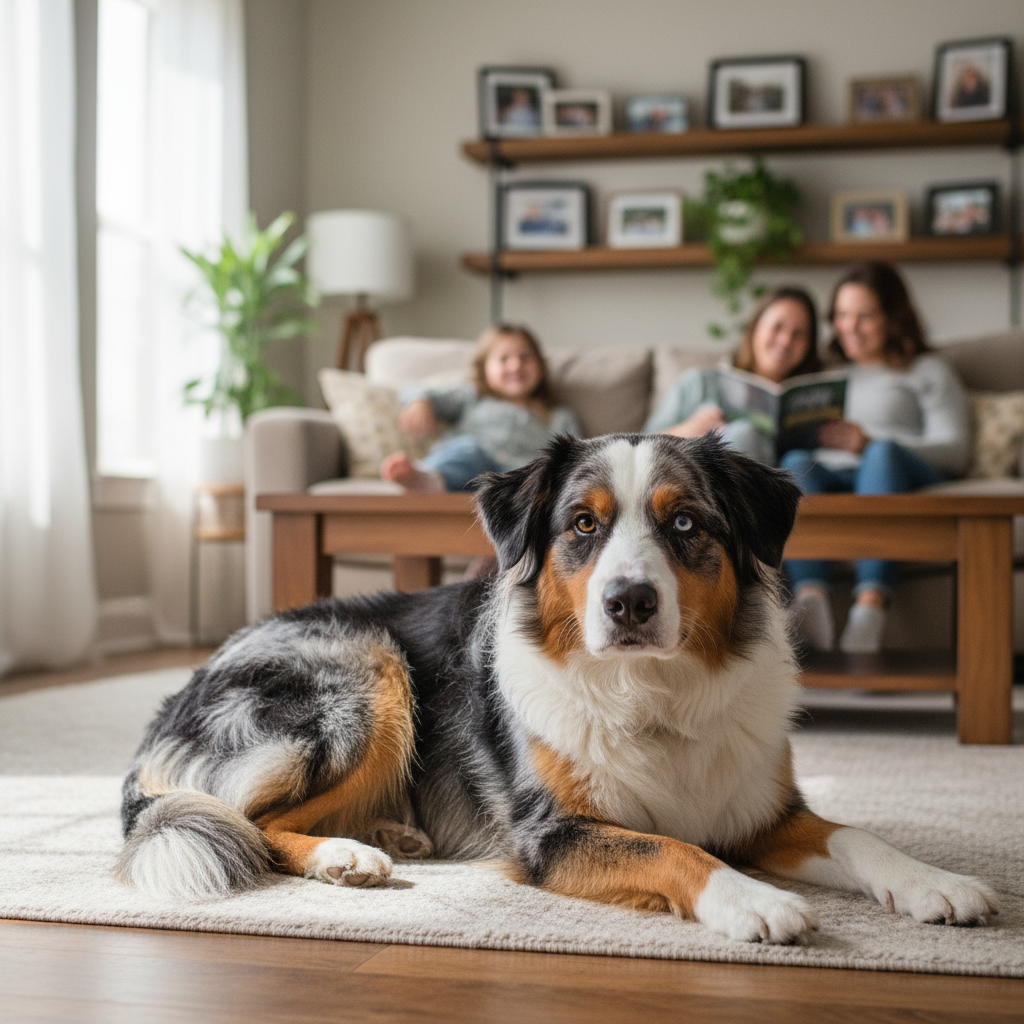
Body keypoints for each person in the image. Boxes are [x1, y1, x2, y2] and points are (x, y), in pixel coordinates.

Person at [782, 262, 970, 654]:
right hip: (833, 472)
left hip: (898, 469)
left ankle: (870, 605)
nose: (849, 327)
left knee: (881, 454)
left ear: (893, 318)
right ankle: (811, 598)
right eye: (842, 316)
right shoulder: (827, 375)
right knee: (797, 460)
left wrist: (870, 442)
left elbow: (956, 450)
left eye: (864, 316)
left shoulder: (927, 371)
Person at [381, 323, 581, 492]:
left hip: (517, 479)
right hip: (470, 464)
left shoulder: (558, 416)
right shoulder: (472, 396)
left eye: (525, 357)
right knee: (467, 450)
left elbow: (575, 461)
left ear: (540, 365)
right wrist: (419, 402)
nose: (516, 365)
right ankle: (425, 479)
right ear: (484, 368)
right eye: (504, 359)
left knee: (537, 475)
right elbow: (420, 392)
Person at [644, 285, 822, 464]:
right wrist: (689, 431)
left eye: (799, 334)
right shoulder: (700, 383)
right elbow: (640, 445)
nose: (785, 341)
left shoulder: (816, 398)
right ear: (755, 329)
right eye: (777, 327)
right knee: (744, 433)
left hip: (786, 481)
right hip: (712, 480)